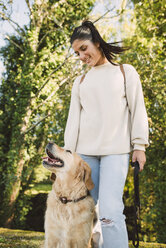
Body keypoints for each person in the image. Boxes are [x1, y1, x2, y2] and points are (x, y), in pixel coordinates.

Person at [64, 20, 149, 248]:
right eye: (77, 52)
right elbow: (73, 122)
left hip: (115, 153)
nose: (81, 56)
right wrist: (70, 156)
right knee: (87, 215)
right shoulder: (80, 82)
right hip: (85, 157)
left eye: (84, 48)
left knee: (110, 212)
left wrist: (139, 146)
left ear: (98, 43)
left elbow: (137, 109)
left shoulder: (125, 72)